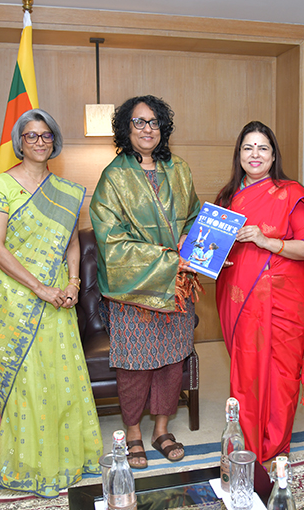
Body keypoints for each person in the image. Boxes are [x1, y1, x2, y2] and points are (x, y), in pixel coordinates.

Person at [0, 109, 102, 496]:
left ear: (55, 141)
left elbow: (71, 242)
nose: (39, 142)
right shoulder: (2, 184)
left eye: (46, 135)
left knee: (60, 374)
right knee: (27, 378)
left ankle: (65, 457)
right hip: (14, 295)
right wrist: (39, 288)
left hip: (57, 295)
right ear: (19, 142)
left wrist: (72, 282)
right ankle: (29, 464)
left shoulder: (66, 191)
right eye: (31, 135)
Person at [90, 95, 200, 469]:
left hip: (176, 287)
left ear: (162, 128)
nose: (147, 129)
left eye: (154, 122)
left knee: (171, 362)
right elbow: (110, 239)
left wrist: (189, 239)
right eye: (139, 122)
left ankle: (161, 430)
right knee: (134, 366)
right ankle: (134, 433)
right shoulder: (113, 177)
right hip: (133, 289)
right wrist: (168, 259)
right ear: (126, 128)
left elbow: (194, 216)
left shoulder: (179, 169)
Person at [215, 121, 304, 465]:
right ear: (239, 155)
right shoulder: (226, 197)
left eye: (262, 148)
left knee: (281, 375)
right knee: (246, 372)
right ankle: (247, 444)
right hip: (239, 297)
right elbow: (214, 246)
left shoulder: (291, 194)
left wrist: (265, 240)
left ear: (273, 155)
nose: (255, 155)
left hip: (284, 301)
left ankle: (275, 445)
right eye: (248, 148)